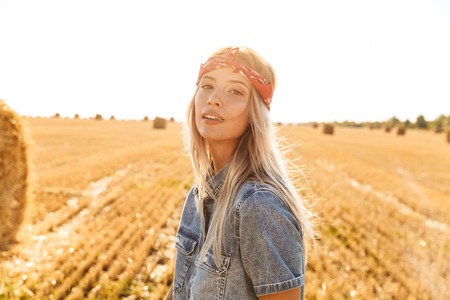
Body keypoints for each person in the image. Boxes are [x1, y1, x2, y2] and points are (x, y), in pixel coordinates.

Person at [165, 46, 315, 300]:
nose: (213, 99)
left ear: (255, 112)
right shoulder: (199, 194)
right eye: (207, 85)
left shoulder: (259, 207)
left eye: (235, 90)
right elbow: (181, 289)